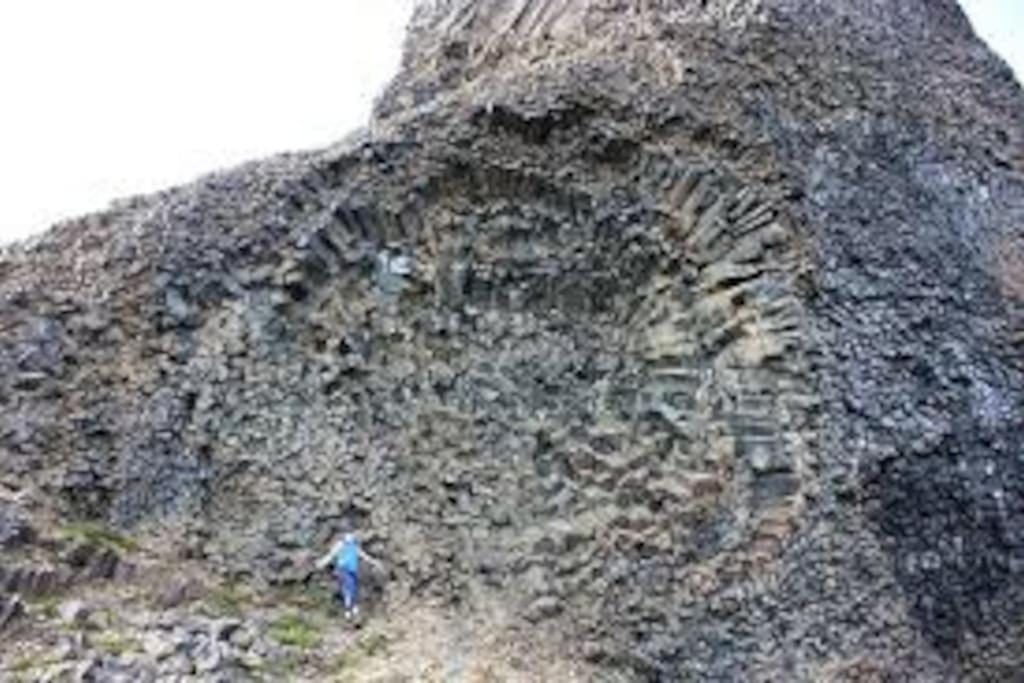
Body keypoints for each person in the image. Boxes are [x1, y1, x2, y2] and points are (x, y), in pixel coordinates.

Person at [316, 532, 382, 618]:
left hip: (352, 571)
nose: (350, 540)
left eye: (351, 538)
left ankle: (352, 607)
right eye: (348, 538)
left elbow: (364, 556)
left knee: (353, 589)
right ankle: (349, 610)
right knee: (348, 588)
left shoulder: (354, 546)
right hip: (343, 570)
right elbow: (331, 555)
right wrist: (322, 562)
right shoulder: (340, 545)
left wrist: (374, 562)